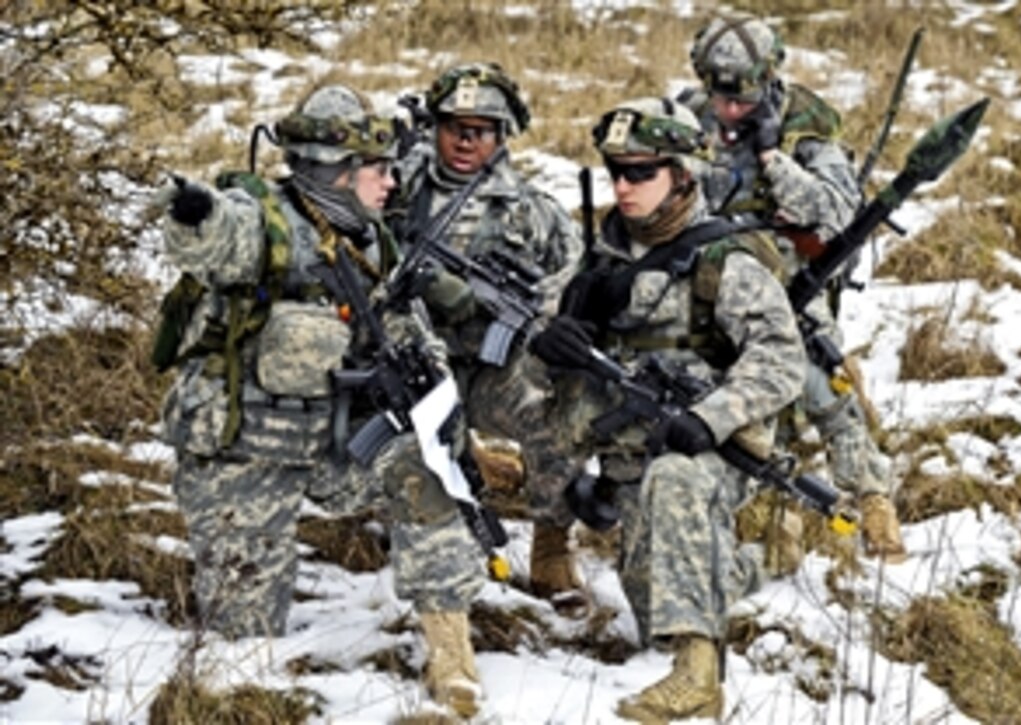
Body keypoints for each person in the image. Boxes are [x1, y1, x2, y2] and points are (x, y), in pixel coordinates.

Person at [155, 85, 487, 716]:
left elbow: (412, 332)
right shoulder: (266, 224)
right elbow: (212, 237)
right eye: (378, 170)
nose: (391, 182)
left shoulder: (373, 242)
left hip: (335, 445)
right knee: (243, 634)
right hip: (244, 456)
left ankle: (452, 655)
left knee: (431, 474)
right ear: (337, 174)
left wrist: (437, 407)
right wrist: (192, 213)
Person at [529, 97, 807, 722]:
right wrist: (550, 339)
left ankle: (699, 678)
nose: (624, 187)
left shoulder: (724, 259)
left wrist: (708, 418)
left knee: (675, 480)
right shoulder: (597, 254)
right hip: (625, 459)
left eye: (642, 173)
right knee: (655, 614)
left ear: (682, 173)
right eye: (616, 173)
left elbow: (781, 361)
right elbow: (538, 328)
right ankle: (760, 557)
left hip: (704, 451)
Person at [679, 13, 906, 563]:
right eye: (721, 98)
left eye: (743, 99)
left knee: (822, 378)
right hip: (705, 270)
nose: (730, 111)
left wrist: (773, 159)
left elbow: (835, 210)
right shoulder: (685, 115)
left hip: (785, 274)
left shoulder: (806, 120)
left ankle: (872, 496)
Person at [386, 62, 587, 613]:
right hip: (415, 363)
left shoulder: (531, 211)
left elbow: (577, 280)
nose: (467, 140)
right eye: (455, 126)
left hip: (492, 366)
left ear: (502, 135)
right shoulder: (397, 190)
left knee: (554, 415)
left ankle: (551, 544)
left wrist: (530, 316)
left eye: (482, 128)